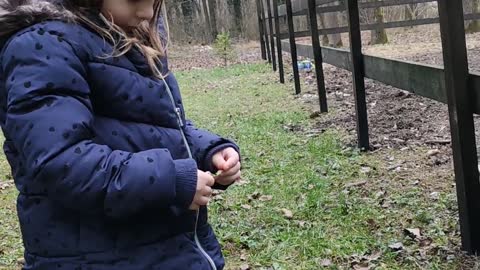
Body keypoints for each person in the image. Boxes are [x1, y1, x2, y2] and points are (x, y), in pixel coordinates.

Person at [0, 0, 241, 269]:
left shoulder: (127, 40)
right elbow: (61, 162)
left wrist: (208, 150)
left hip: (165, 249)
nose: (148, 13)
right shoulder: (42, 47)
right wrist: (172, 181)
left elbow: (162, 126)